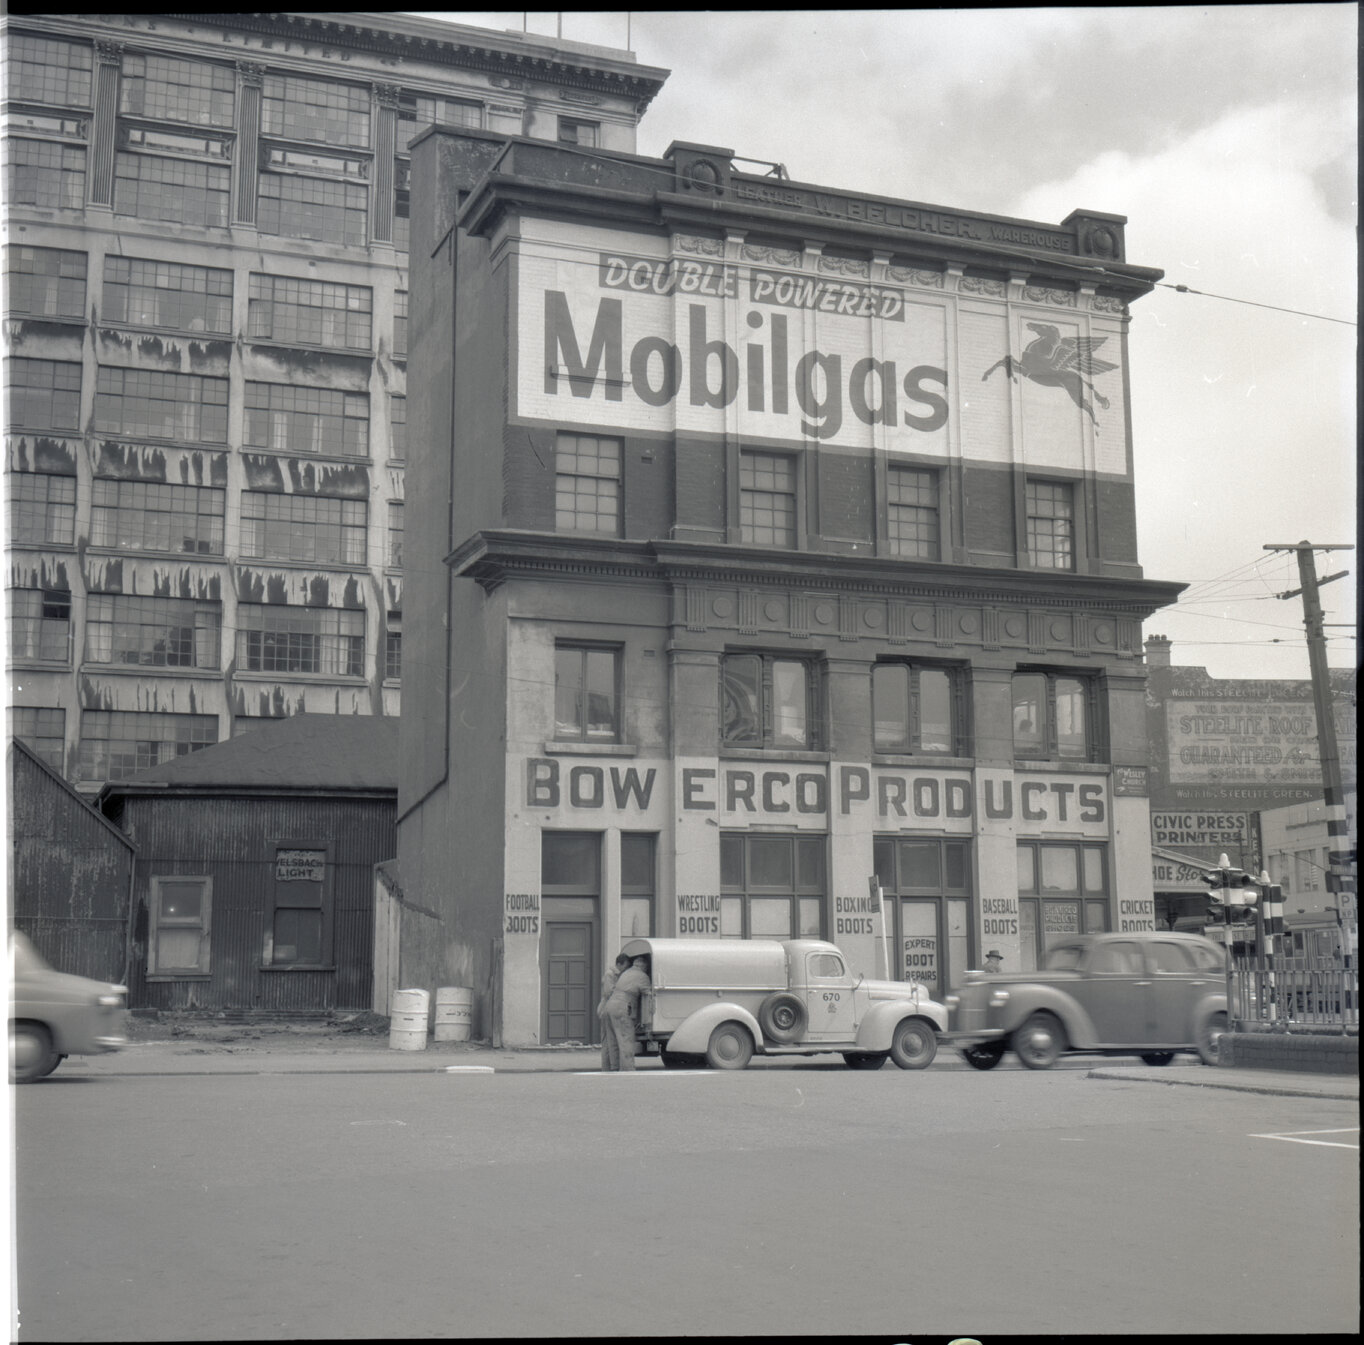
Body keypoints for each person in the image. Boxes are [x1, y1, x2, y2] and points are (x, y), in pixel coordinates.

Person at [603, 954, 651, 1072]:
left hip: (609, 1006)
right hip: (622, 1006)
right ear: (644, 967)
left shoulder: (626, 973)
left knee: (612, 1039)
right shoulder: (642, 976)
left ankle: (614, 1067)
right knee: (626, 1038)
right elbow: (649, 993)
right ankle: (627, 1068)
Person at [597, 952, 632, 1071]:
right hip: (606, 1009)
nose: (625, 970)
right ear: (619, 964)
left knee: (610, 1040)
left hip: (608, 1008)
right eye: (625, 967)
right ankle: (607, 1067)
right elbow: (608, 992)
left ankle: (610, 1067)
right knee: (607, 1041)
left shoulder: (616, 974)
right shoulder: (610, 974)